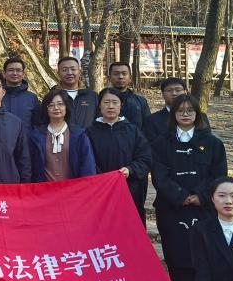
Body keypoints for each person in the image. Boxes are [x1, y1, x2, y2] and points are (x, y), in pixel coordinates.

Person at [151, 94, 228, 281]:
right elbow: (159, 175)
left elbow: (218, 174)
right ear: (173, 114)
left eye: (190, 110)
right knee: (176, 254)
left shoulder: (212, 143)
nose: (185, 114)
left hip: (203, 208)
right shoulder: (161, 143)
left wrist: (200, 196)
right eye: (180, 110)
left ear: (197, 114)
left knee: (203, 253)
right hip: (171, 208)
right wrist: (181, 196)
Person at [87, 87, 153, 222]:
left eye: (115, 102)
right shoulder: (89, 132)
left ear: (121, 105)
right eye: (106, 102)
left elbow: (145, 158)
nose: (110, 106)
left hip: (130, 188)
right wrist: (102, 177)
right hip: (100, 190)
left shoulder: (133, 131)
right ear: (99, 105)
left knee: (130, 227)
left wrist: (130, 170)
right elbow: (86, 160)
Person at [28, 89, 97, 183]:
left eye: (60, 104)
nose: (56, 108)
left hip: (74, 188)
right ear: (46, 109)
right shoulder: (36, 135)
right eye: (51, 105)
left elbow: (88, 165)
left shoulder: (79, 134)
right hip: (44, 189)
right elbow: (30, 166)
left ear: (66, 107)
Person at [145, 77, 210, 142]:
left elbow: (207, 141)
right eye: (169, 90)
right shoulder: (153, 120)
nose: (174, 93)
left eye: (178, 90)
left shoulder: (200, 116)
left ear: (185, 92)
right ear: (163, 94)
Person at [52, 55, 97, 129]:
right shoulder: (52, 96)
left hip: (88, 136)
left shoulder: (92, 96)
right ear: (58, 73)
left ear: (79, 72)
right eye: (64, 70)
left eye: (73, 69)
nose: (69, 73)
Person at [108, 61, 150, 131]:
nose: (120, 77)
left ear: (130, 78)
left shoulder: (140, 101)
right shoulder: (101, 101)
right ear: (109, 78)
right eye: (116, 74)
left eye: (124, 74)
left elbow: (148, 126)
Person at [2, 56, 39, 128]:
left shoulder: (32, 98)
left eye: (18, 70)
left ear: (23, 74)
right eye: (11, 70)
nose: (15, 73)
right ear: (4, 73)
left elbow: (37, 125)